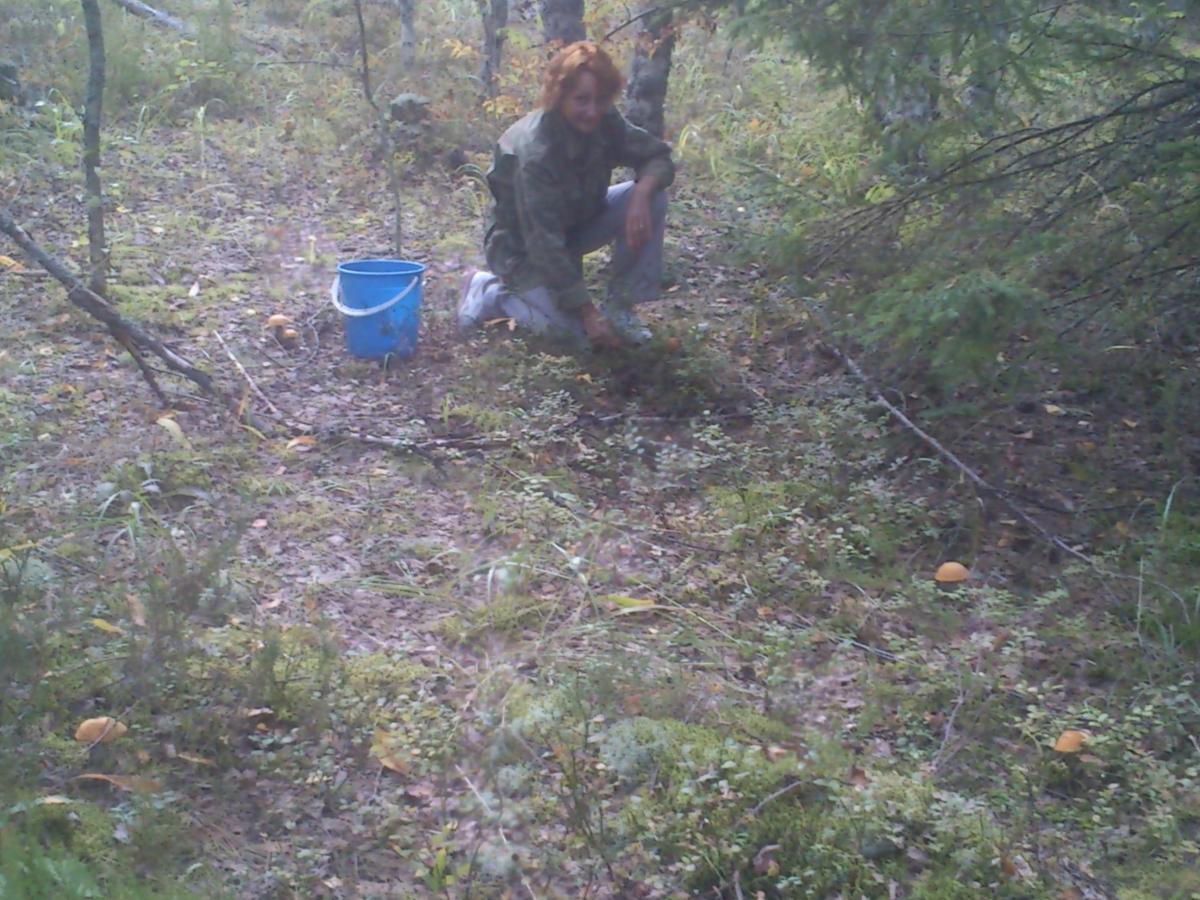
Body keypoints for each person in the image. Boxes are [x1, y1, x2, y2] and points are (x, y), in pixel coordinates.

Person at [458, 41, 675, 349]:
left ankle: (621, 306)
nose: (592, 111)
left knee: (653, 197)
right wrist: (587, 312)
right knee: (573, 338)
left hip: (575, 225)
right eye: (581, 100)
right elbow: (544, 245)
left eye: (601, 99)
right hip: (522, 249)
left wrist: (641, 193)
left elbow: (657, 157)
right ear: (559, 96)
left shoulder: (605, 120)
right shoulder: (536, 152)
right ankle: (489, 291)